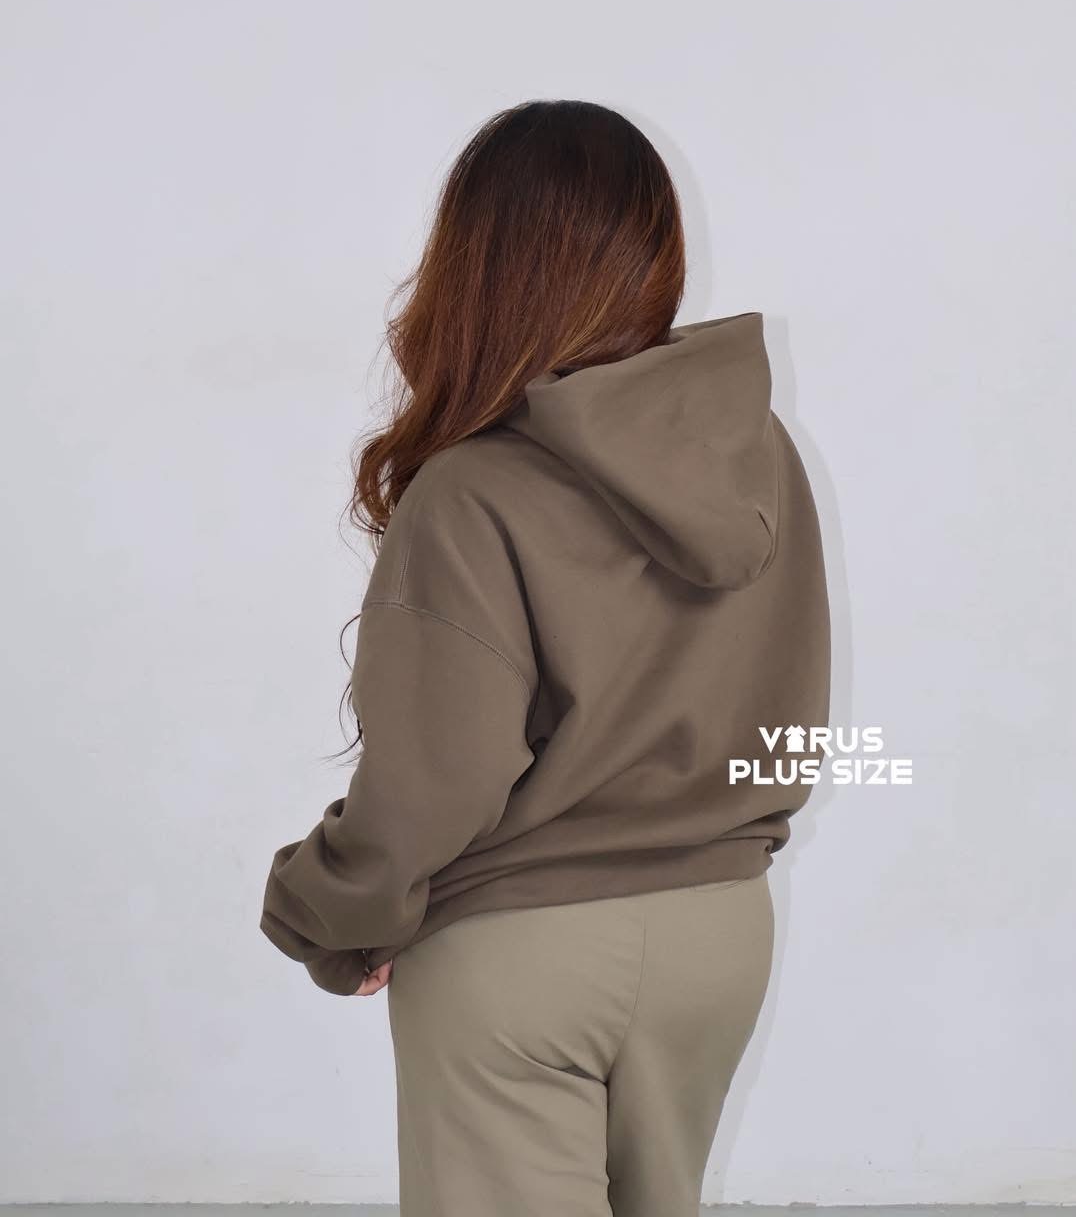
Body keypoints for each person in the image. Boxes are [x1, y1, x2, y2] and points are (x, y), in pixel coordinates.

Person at [260, 98, 831, 1217]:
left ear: (473, 270)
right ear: (654, 256)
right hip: (719, 935)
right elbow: (788, 715)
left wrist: (327, 908)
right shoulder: (757, 454)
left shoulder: (472, 491)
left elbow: (438, 782)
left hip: (520, 957)